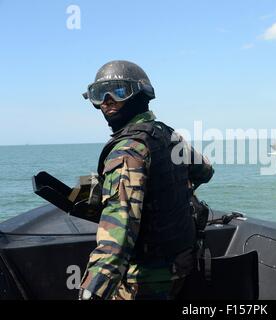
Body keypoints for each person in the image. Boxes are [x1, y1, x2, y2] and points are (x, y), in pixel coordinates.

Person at [78, 60, 214, 300]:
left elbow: (115, 244)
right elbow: (205, 170)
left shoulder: (127, 152)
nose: (107, 101)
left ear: (140, 94)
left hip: (144, 280)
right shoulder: (169, 136)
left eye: (119, 91)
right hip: (182, 267)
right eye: (99, 94)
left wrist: (91, 292)